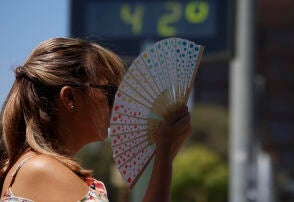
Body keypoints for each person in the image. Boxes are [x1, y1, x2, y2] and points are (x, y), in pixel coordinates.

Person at [0, 37, 192, 202]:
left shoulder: (38, 167)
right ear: (70, 98)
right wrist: (165, 151)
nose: (118, 104)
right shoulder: (41, 170)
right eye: (110, 92)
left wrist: (165, 152)